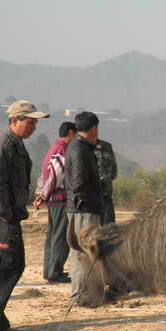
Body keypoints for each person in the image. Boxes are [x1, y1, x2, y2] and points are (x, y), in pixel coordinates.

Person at [0, 101, 49, 331]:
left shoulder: (17, 146)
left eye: (35, 122)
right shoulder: (3, 146)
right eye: (30, 121)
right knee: (4, 268)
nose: (34, 126)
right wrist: (5, 216)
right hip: (0, 220)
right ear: (15, 120)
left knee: (12, 266)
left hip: (10, 217)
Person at [65, 111, 104, 305]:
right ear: (93, 129)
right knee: (83, 253)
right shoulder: (79, 149)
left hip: (84, 207)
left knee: (88, 253)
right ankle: (81, 296)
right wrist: (87, 201)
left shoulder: (80, 147)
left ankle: (89, 295)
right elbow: (78, 182)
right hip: (84, 209)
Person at [34, 121, 76, 283]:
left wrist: (43, 195)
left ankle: (50, 271)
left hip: (53, 200)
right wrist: (44, 196)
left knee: (53, 236)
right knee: (60, 237)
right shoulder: (61, 151)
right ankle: (55, 272)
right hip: (59, 200)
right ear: (71, 133)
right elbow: (54, 178)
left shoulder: (54, 149)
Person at [95, 139, 118, 224]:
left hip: (105, 194)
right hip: (91, 196)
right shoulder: (82, 147)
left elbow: (114, 171)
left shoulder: (107, 146)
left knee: (109, 228)